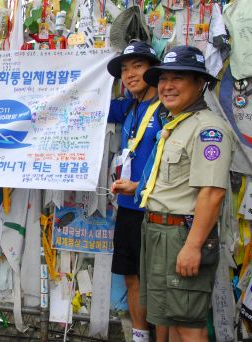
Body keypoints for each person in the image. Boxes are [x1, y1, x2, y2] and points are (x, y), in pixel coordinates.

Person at [138, 45, 235, 342]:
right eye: (163, 78)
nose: (167, 86)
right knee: (171, 319)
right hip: (159, 232)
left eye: (178, 78)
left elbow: (211, 194)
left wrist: (192, 247)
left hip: (182, 235)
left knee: (189, 326)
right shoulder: (176, 125)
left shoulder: (209, 129)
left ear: (200, 83)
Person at [107, 40, 162, 342]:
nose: (129, 75)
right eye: (125, 70)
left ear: (154, 71)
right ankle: (141, 337)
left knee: (157, 282)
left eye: (137, 67)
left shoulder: (167, 109)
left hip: (157, 211)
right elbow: (94, 105)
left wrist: (141, 186)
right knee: (131, 277)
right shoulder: (130, 106)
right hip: (128, 208)